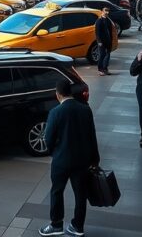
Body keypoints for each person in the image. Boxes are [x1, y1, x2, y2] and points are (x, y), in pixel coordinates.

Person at [39, 79, 100, 237]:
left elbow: (49, 138)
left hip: (61, 160)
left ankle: (56, 225)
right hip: (82, 160)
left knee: (57, 191)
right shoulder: (85, 110)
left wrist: (54, 152)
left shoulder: (55, 112)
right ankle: (77, 226)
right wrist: (95, 159)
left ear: (58, 94)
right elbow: (92, 136)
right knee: (80, 194)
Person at [94, 7, 113, 76]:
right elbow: (97, 32)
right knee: (102, 55)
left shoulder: (108, 20)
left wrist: (111, 40)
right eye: (106, 11)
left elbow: (110, 31)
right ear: (102, 11)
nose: (107, 12)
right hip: (101, 42)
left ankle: (105, 68)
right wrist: (99, 41)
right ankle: (100, 69)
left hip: (108, 41)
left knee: (108, 55)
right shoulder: (99, 21)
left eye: (108, 11)